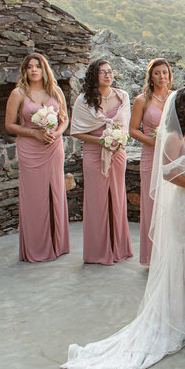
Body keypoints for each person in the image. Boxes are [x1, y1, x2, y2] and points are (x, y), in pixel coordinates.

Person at [63, 86, 185, 369]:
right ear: (183, 108)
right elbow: (167, 173)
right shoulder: (173, 138)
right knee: (183, 256)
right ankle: (181, 317)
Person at [4, 53, 71, 263]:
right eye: (30, 67)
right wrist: (34, 133)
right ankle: (36, 247)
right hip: (30, 148)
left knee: (56, 192)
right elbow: (9, 125)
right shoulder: (18, 93)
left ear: (44, 69)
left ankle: (57, 244)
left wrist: (56, 134)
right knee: (34, 197)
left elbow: (64, 119)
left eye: (38, 66)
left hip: (53, 146)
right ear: (25, 71)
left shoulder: (56, 91)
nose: (34, 70)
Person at [71, 60, 132, 265]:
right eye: (102, 72)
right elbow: (77, 131)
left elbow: (126, 127)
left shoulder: (122, 96)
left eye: (110, 71)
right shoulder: (83, 100)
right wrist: (102, 141)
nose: (108, 75)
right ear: (94, 76)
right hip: (93, 154)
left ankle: (119, 249)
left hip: (117, 153)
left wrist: (117, 141)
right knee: (96, 201)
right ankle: (98, 252)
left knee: (117, 198)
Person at [129, 58, 173, 267]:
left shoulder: (175, 98)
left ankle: (169, 256)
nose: (162, 76)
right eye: (157, 73)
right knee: (151, 205)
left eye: (165, 72)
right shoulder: (142, 100)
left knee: (171, 206)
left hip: (171, 156)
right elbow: (133, 130)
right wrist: (154, 142)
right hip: (150, 156)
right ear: (151, 76)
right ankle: (152, 258)